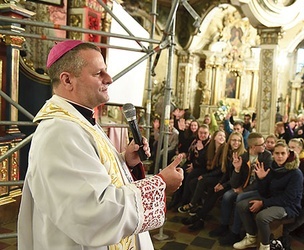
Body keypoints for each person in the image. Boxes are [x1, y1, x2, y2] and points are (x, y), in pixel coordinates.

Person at [17, 40, 184, 250]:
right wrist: (159, 185)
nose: (110, 79)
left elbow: (94, 175)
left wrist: (125, 160)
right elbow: (93, 213)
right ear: (67, 80)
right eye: (98, 73)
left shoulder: (79, 120)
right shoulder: (60, 132)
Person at [233, 141, 303, 250]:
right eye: (277, 153)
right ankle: (251, 237)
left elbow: (288, 198)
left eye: (283, 153)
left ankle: (265, 246)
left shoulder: (295, 173)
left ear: (288, 154)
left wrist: (263, 203)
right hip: (271, 199)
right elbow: (264, 193)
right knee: (241, 205)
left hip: (288, 206)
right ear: (273, 154)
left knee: (262, 217)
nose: (279, 156)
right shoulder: (272, 167)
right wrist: (262, 179)